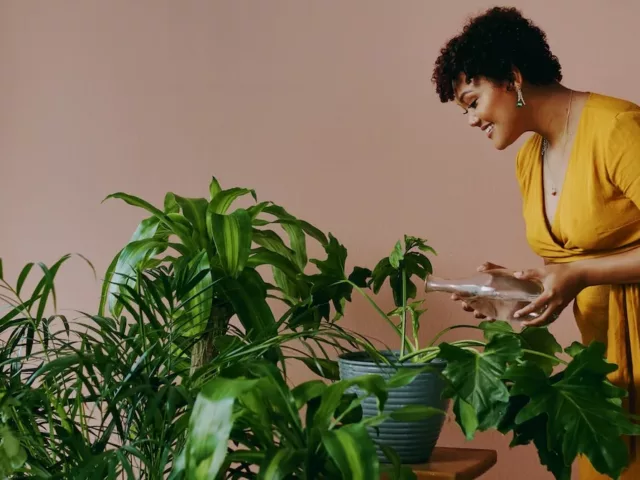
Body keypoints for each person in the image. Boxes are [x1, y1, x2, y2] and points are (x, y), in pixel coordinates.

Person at [431, 6, 640, 479]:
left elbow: (582, 269)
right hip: (606, 378)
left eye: (472, 99)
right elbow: (566, 272)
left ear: (513, 77)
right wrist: (518, 293)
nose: (470, 120)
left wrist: (579, 273)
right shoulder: (530, 159)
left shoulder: (617, 128)